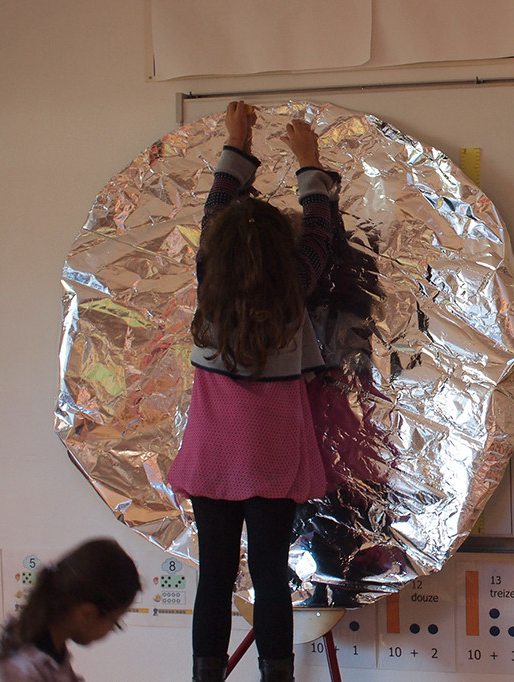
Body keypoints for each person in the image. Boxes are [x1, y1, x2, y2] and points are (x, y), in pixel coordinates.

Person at [166, 101, 341, 682]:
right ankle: (278, 677)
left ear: (213, 258)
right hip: (272, 457)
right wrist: (309, 160)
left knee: (214, 575)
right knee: (269, 576)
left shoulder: (210, 293)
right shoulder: (294, 286)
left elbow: (218, 208)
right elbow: (318, 226)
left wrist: (237, 146)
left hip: (214, 455)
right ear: (280, 256)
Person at [0, 537, 141, 682]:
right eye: (114, 622)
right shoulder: (10, 671)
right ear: (87, 613)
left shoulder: (48, 652)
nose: (110, 630)